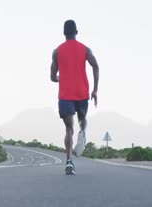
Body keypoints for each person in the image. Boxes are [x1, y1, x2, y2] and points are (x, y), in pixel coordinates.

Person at [50, 20, 100, 175]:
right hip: (82, 92)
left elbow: (52, 77)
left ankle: (69, 162)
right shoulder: (85, 49)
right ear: (76, 32)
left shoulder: (57, 51)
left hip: (65, 94)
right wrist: (95, 90)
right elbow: (96, 66)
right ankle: (83, 132)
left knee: (68, 129)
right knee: (82, 119)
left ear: (64, 33)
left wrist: (61, 78)